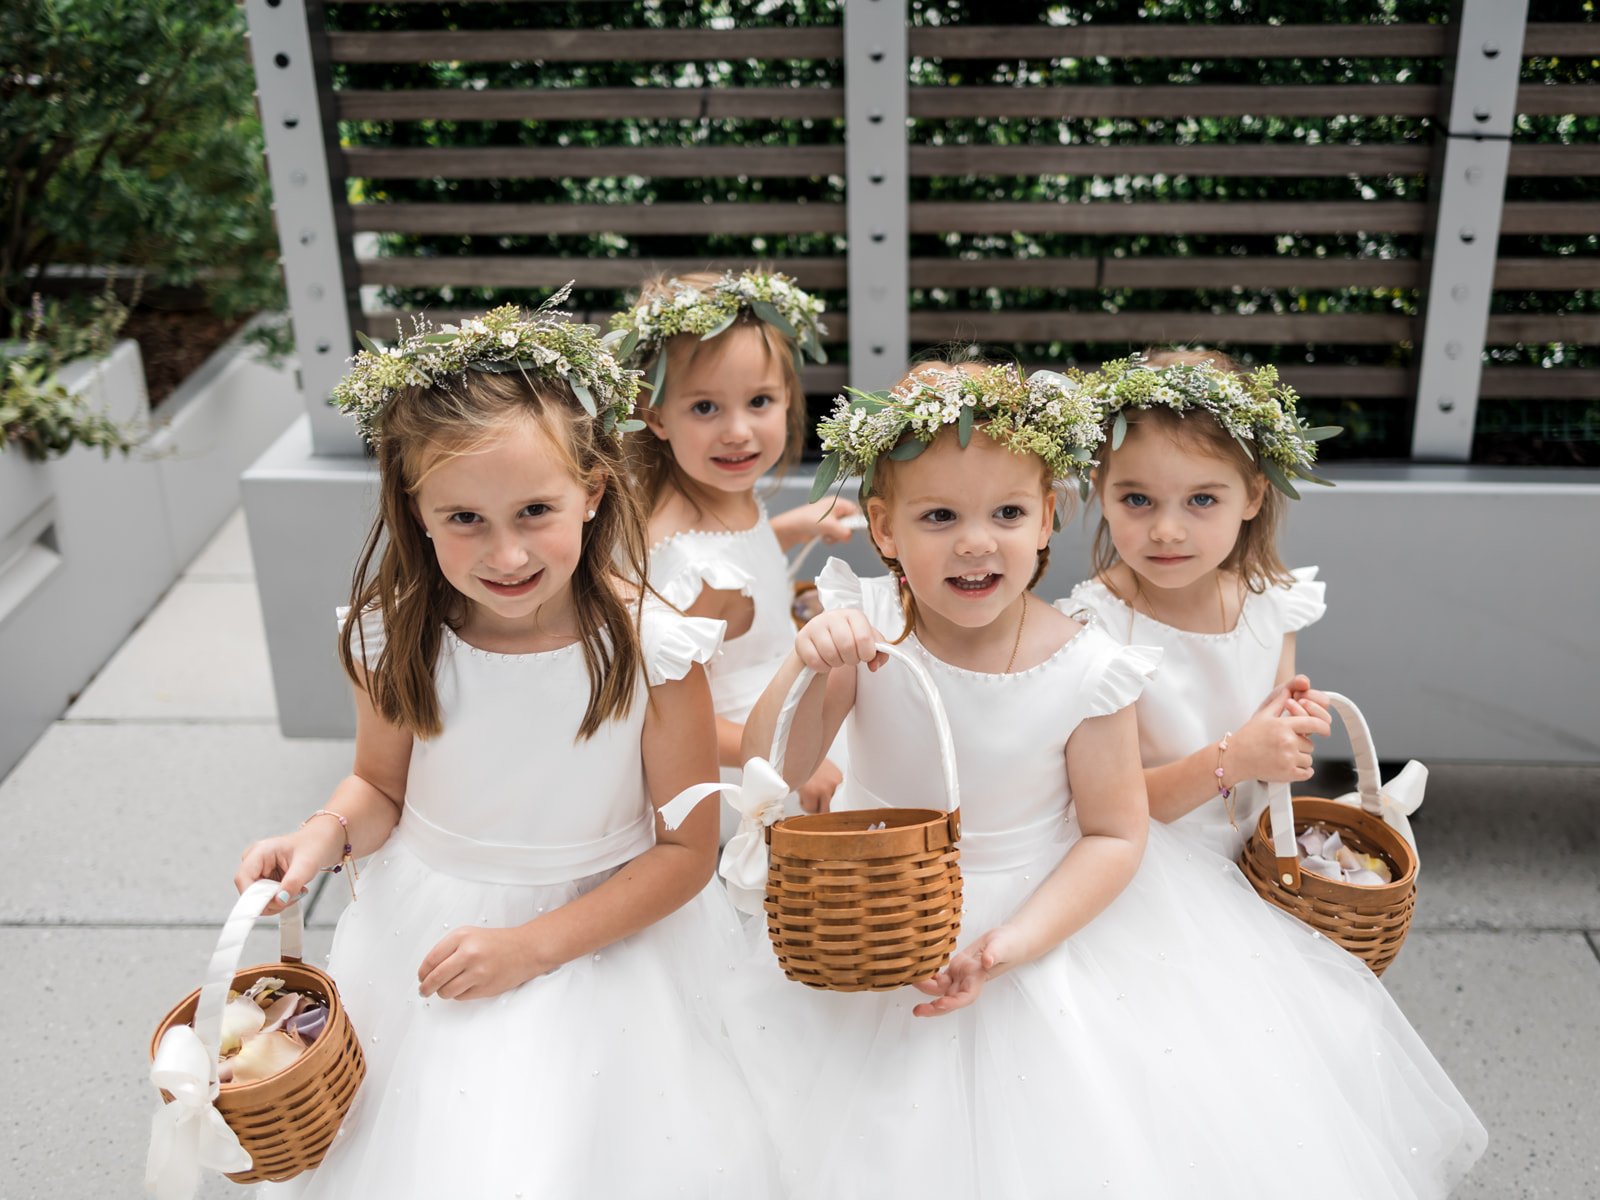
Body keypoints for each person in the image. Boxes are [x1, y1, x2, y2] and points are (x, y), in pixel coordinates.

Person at [699, 359, 1484, 1199]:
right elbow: (769, 763)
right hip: (882, 917)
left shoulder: (1088, 665)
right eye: (939, 516)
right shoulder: (874, 635)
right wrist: (806, 661)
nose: (975, 540)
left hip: (1048, 916)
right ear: (885, 529)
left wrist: (1011, 946)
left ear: (1046, 518)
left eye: (1006, 513)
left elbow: (1114, 832)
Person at [233, 291, 775, 1197]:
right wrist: (323, 834)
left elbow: (686, 853)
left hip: (606, 937)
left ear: (593, 492)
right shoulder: (395, 634)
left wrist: (532, 947)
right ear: (418, 511)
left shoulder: (656, 648)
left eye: (534, 511)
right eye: (465, 520)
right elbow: (379, 785)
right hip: (431, 924)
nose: (507, 553)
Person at [1062, 348, 1336, 861]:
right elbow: (1101, 807)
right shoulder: (1091, 627)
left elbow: (1269, 769)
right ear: (1100, 490)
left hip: (1251, 856)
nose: (1167, 530)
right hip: (1143, 861)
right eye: (1137, 500)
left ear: (1253, 497)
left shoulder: (1273, 607)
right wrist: (1237, 757)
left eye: (1202, 500)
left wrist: (1285, 741)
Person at [616, 269, 856, 826]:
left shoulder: (715, 501)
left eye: (759, 401)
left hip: (782, 720)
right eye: (705, 408)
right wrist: (787, 764)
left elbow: (739, 567)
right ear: (654, 415)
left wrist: (793, 527)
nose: (738, 431)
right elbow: (667, 715)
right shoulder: (696, 574)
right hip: (746, 768)